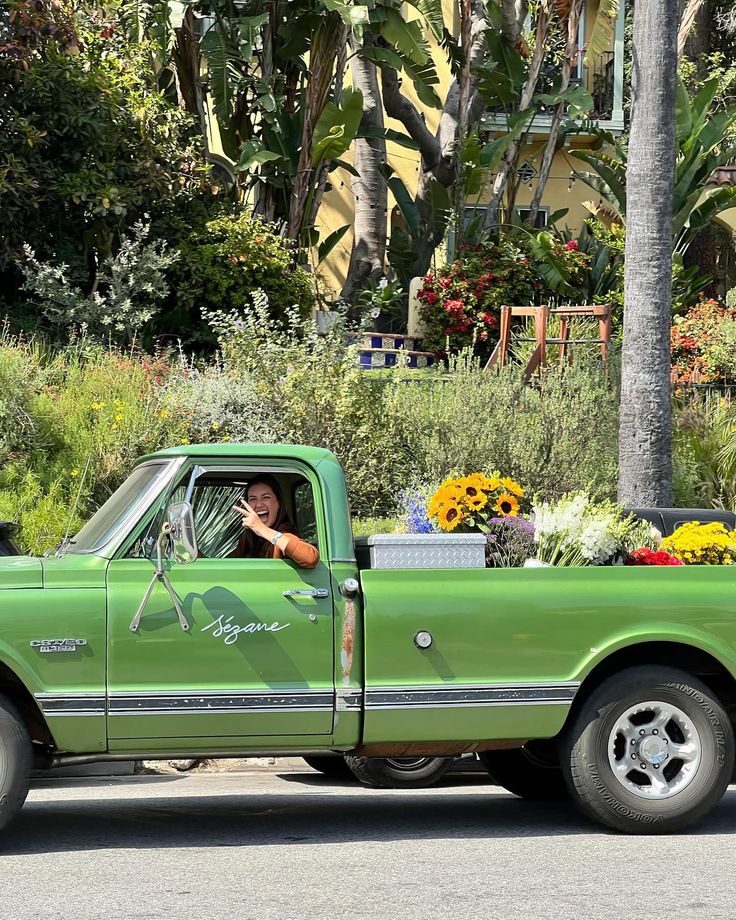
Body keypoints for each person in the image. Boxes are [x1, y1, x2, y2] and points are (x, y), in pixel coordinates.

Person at [231, 473, 319, 569]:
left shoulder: (284, 534)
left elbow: (310, 558)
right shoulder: (248, 535)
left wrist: (262, 529)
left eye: (266, 497)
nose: (258, 505)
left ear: (278, 503)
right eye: (252, 499)